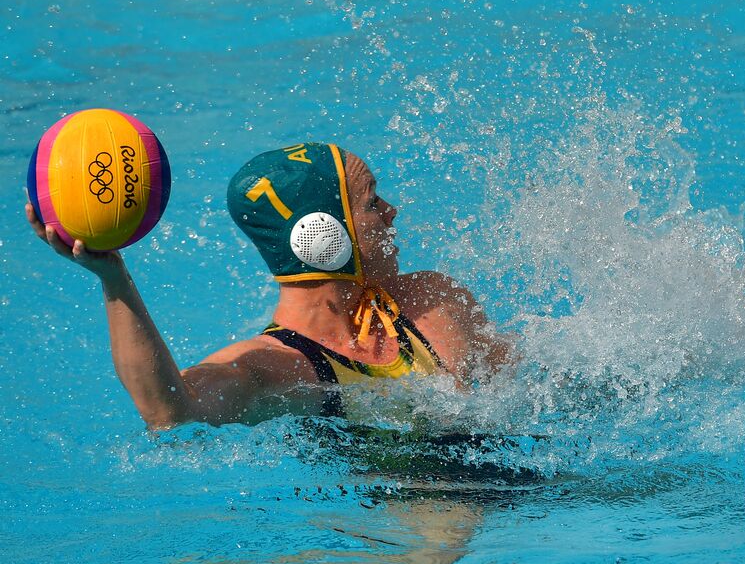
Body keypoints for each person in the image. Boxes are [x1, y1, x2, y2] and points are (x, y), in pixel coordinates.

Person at [27, 142, 512, 429]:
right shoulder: (273, 367)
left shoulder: (432, 301)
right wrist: (115, 280)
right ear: (322, 233)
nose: (390, 212)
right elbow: (170, 415)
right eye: (369, 202)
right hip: (386, 518)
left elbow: (526, 386)